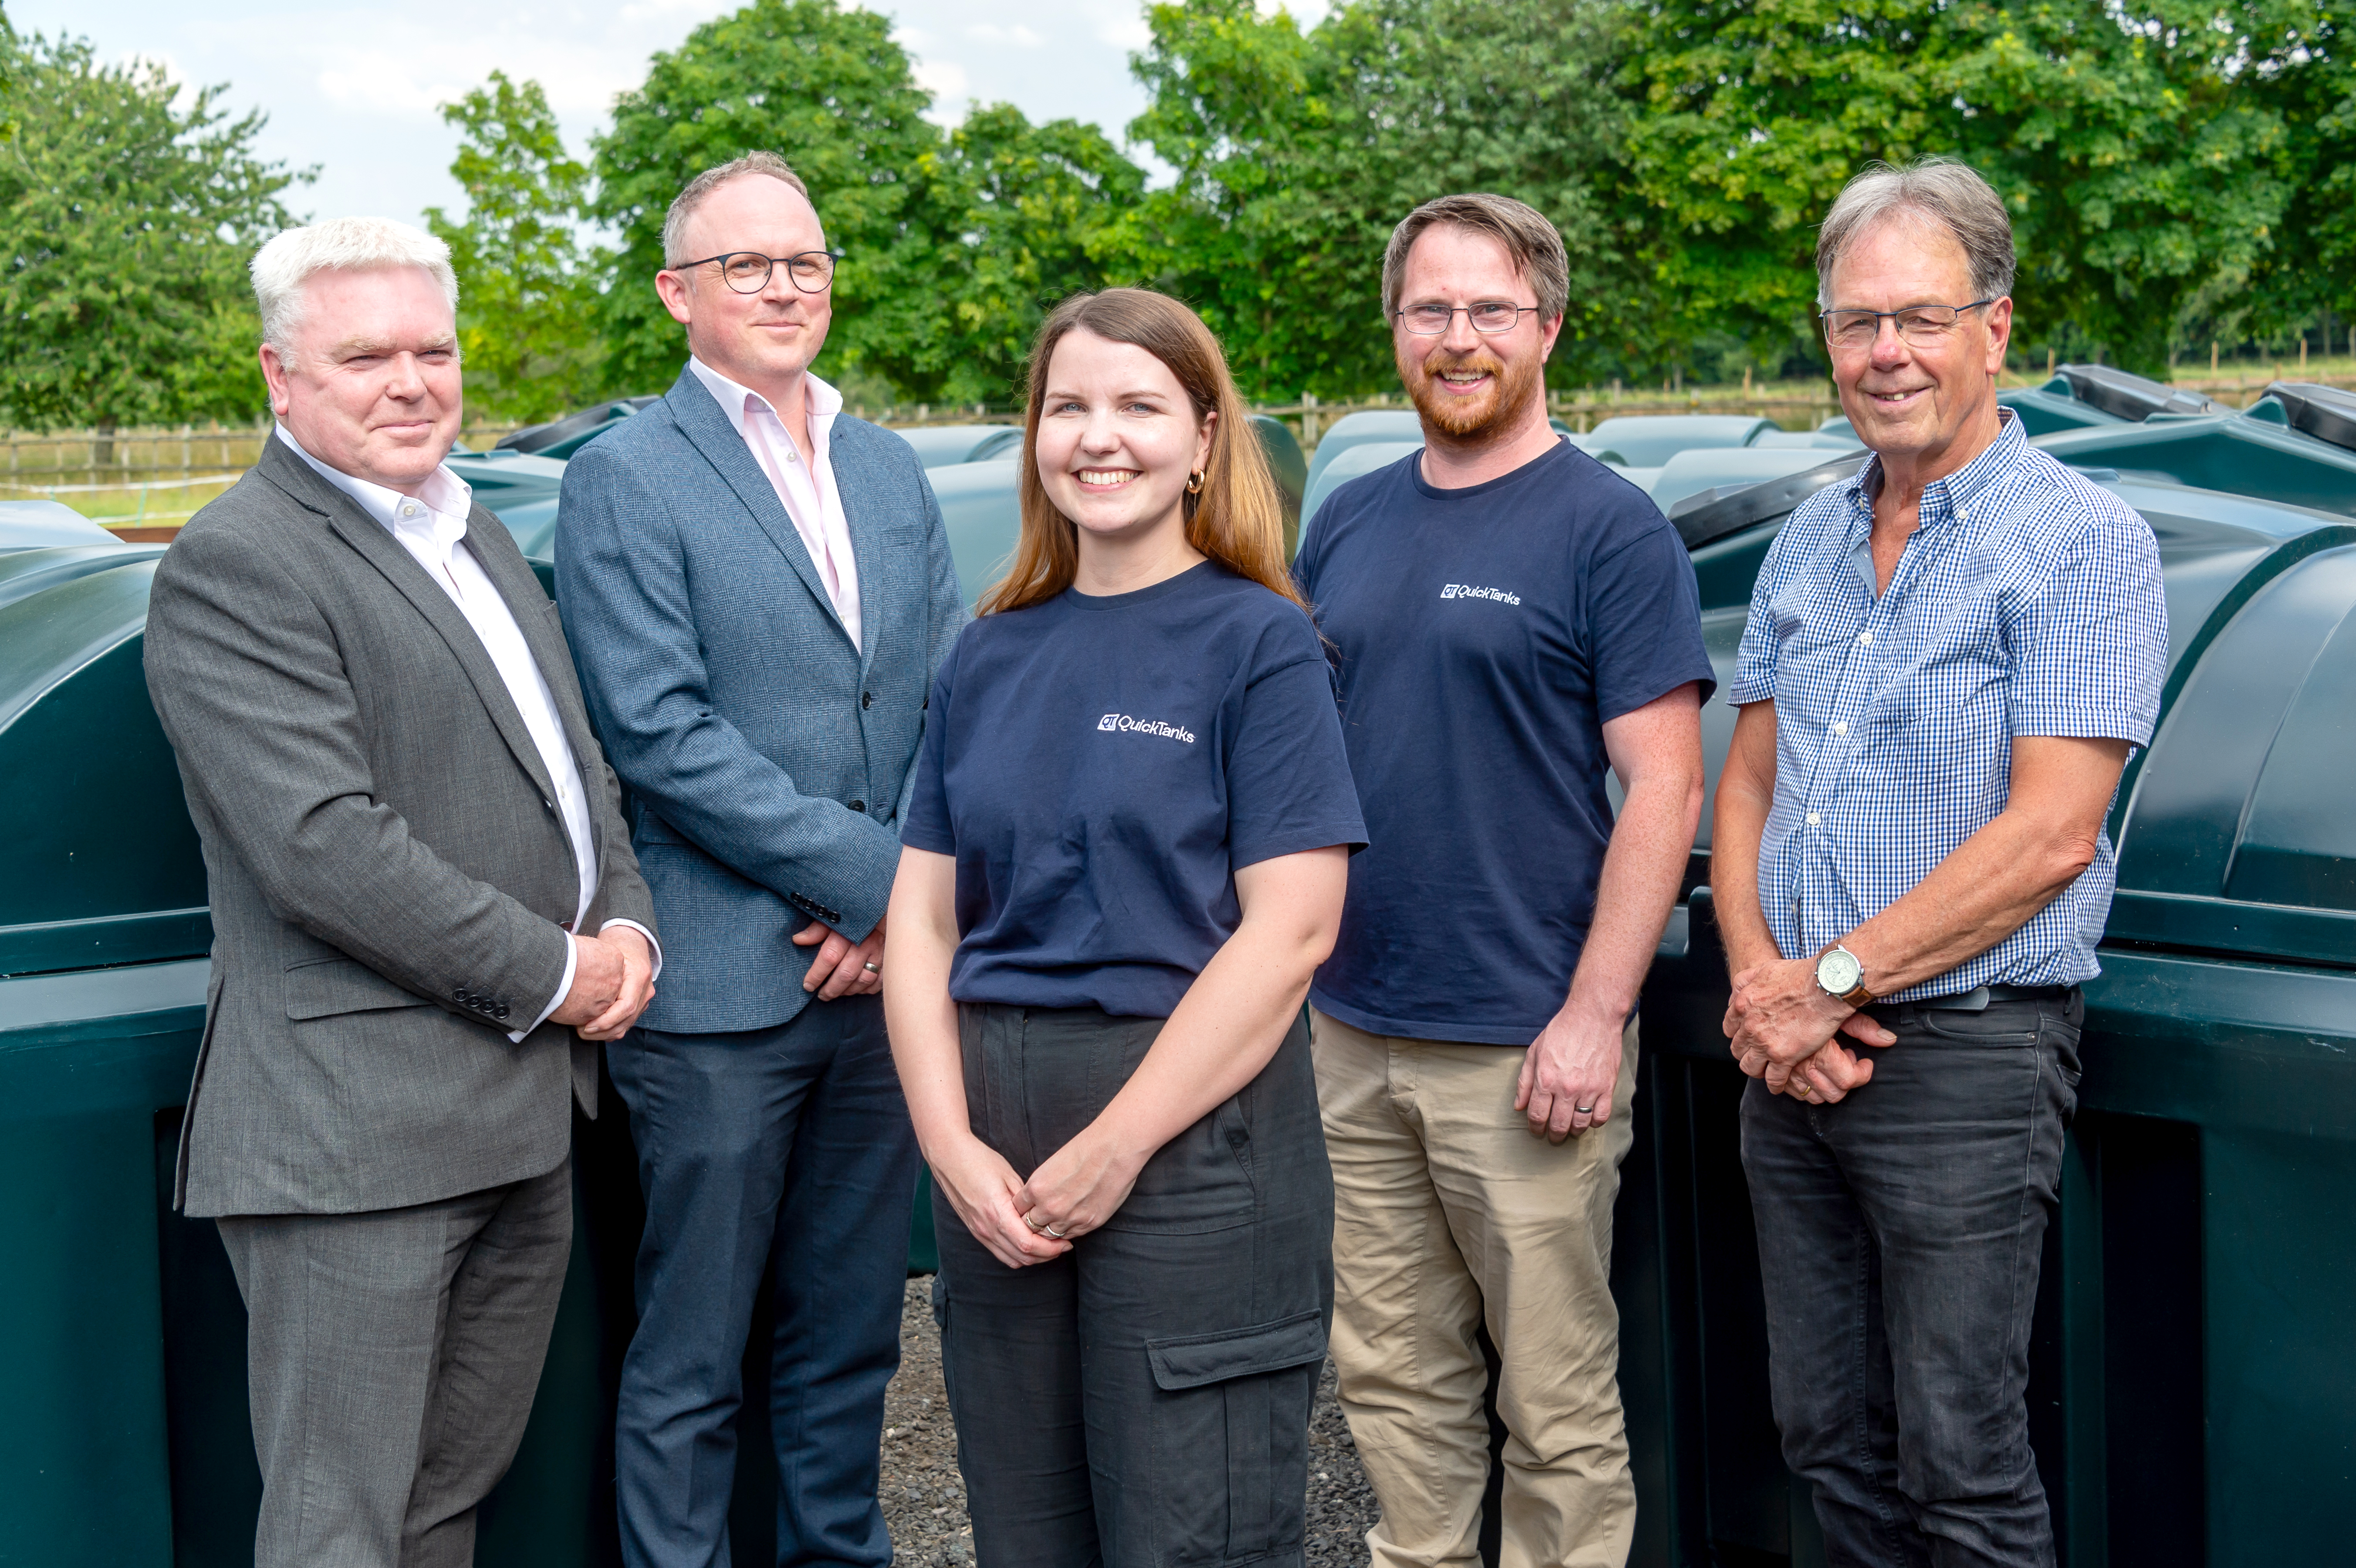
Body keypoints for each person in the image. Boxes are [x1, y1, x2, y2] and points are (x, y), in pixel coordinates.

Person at [142, 216, 660, 1568]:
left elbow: (575, 771)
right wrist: (565, 974)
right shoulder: (240, 560)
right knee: (341, 1527)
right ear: (280, 376)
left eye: (432, 349)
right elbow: (324, 849)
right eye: (364, 354)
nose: (410, 381)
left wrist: (627, 922)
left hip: (520, 1118)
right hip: (353, 1144)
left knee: (442, 1512)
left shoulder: (471, 528)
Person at [1714, 158, 2168, 1567]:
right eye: (1857, 323)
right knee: (1823, 1441)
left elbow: (2048, 835)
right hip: (1787, 1055)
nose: (1884, 353)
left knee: (1961, 1463)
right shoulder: (1804, 537)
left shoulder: (2081, 542)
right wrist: (1760, 989)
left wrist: (1826, 980)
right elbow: (1745, 786)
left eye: (1920, 316)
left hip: (1962, 1061)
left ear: (1996, 330)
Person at [883, 287, 1368, 1567]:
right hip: (997, 1141)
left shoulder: (1259, 645)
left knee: (1186, 1533)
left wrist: (1117, 1145)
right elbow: (922, 923)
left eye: (1139, 407)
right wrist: (946, 1144)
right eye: (1068, 406)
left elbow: (1292, 934)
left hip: (1188, 1138)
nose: (1099, 437)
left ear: (1207, 439)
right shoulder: (985, 653)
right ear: (1032, 433)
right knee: (1026, 1530)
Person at [1291, 193, 1712, 1568]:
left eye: (1488, 311)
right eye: (1430, 310)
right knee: (1392, 1379)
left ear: (1546, 325)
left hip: (1523, 1040)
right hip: (1350, 1030)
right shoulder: (1346, 522)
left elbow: (1665, 784)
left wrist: (1594, 1015)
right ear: (1395, 329)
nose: (1457, 338)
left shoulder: (1607, 529)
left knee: (1554, 1404)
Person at [554, 152, 963, 1568]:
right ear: (678, 295)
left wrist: (895, 905)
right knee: (693, 1363)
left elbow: (941, 701)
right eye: (746, 265)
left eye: (806, 261)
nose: (785, 286)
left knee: (849, 1345)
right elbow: (661, 736)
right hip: (726, 991)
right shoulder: (623, 478)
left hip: (875, 996)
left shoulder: (887, 463)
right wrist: (880, 886)